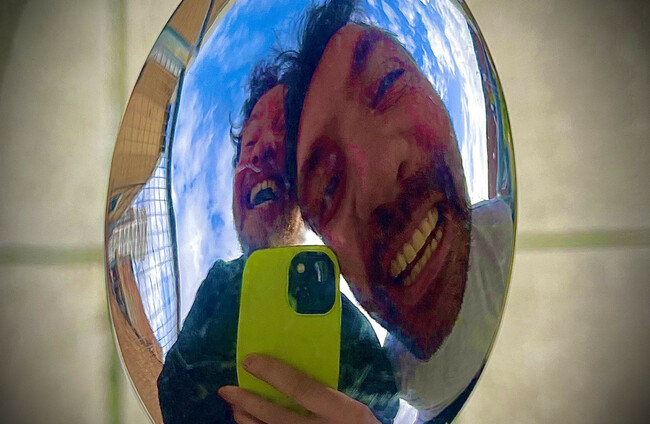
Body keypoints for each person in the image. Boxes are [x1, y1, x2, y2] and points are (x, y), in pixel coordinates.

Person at [220, 1, 513, 422]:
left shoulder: (512, 237)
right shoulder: (390, 378)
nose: (377, 181)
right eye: (328, 185)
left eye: (388, 82)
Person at [157, 60, 399, 424]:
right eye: (249, 142)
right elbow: (169, 393)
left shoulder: (350, 328)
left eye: (286, 138)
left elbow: (385, 408)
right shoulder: (220, 284)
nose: (262, 150)